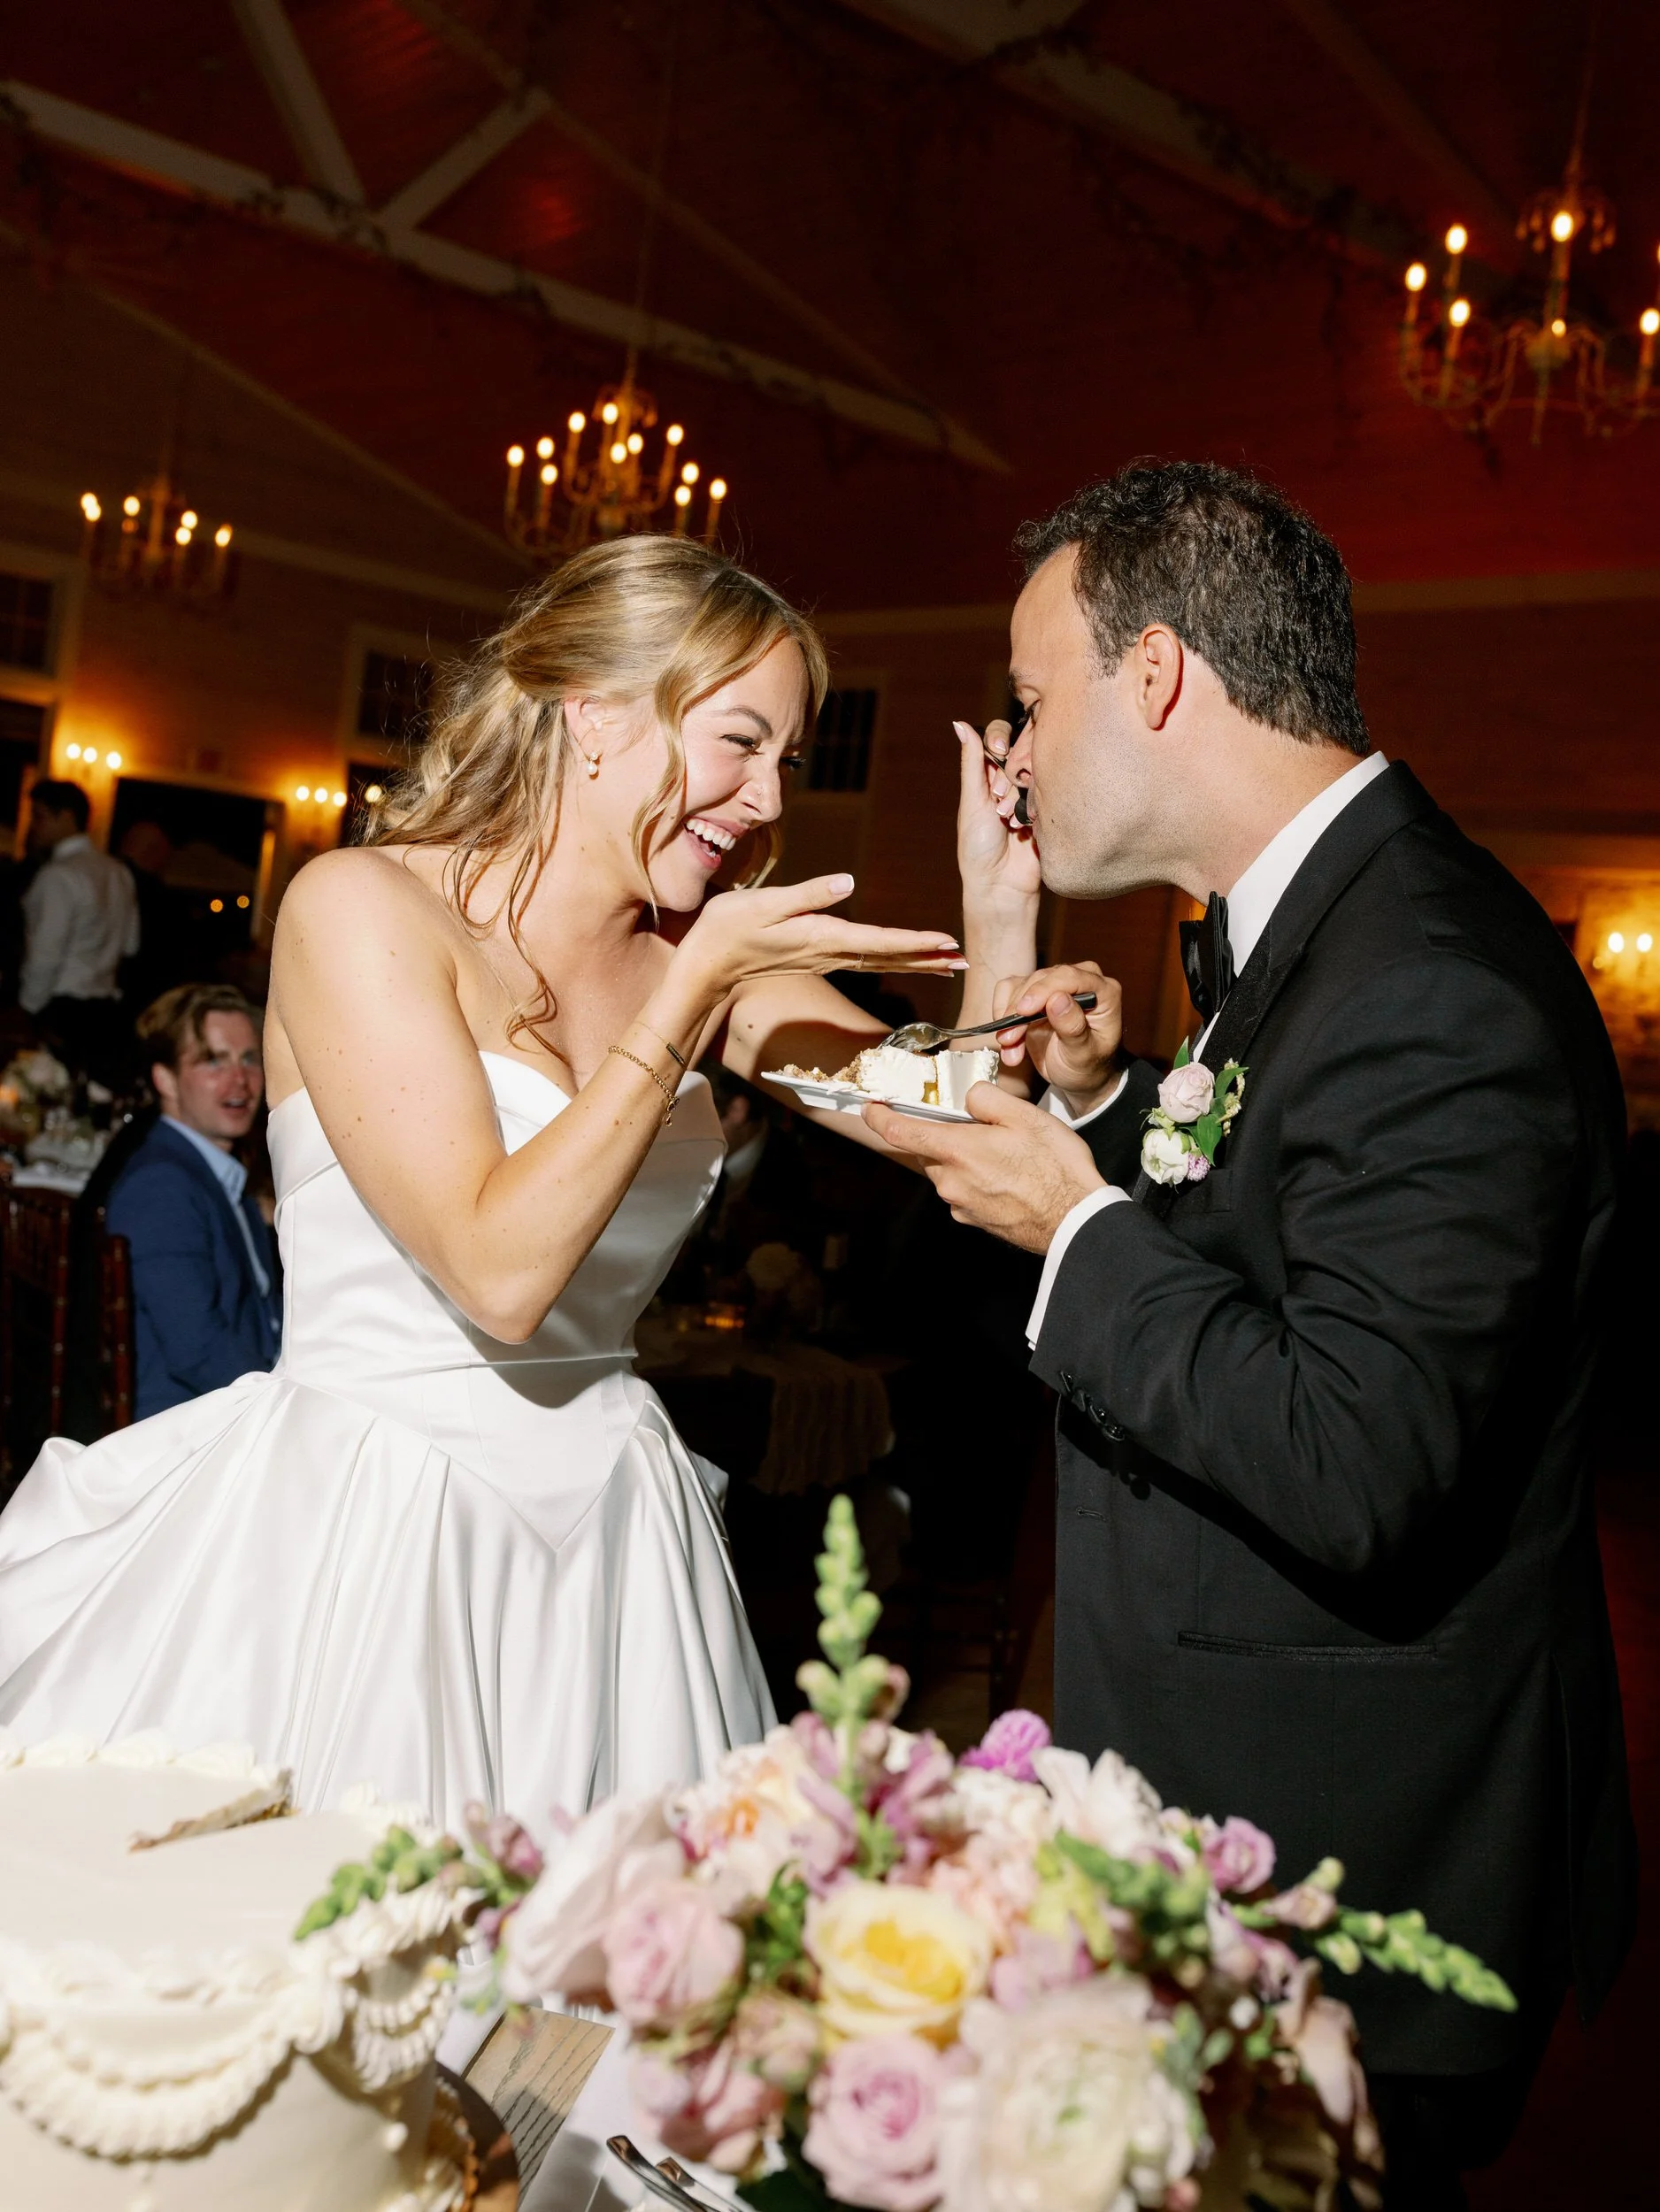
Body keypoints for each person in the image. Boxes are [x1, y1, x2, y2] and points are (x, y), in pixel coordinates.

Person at [869, 464, 1636, 2208]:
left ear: (1151, 677)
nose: (1013, 738)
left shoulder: (1429, 980)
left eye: (1029, 691)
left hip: (1349, 1861)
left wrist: (1072, 1221)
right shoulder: (1304, 935)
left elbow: (1355, 1455)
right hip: (1224, 1816)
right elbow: (1236, 1209)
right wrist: (1007, 946)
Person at [0, 537, 962, 1836]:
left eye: (787, 760)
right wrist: (687, 1003)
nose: (766, 799)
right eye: (740, 740)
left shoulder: (707, 958)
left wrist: (1012, 932)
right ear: (595, 714)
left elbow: (951, 1116)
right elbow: (498, 1271)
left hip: (617, 1545)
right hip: (378, 1527)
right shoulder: (363, 907)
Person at [104, 984, 281, 1418]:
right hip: (189, 1431)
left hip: (237, 1401)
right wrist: (288, 1414)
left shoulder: (214, 1174)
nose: (239, 1080)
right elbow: (197, 1351)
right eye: (212, 1060)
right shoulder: (161, 1187)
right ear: (164, 1079)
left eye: (248, 1059)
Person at [18, 779, 139, 1081]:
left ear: (67, 817)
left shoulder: (58, 875)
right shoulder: (118, 871)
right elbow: (130, 945)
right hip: (107, 1012)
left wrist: (28, 1011)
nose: (34, 826)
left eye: (41, 816)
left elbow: (45, 954)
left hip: (61, 1011)